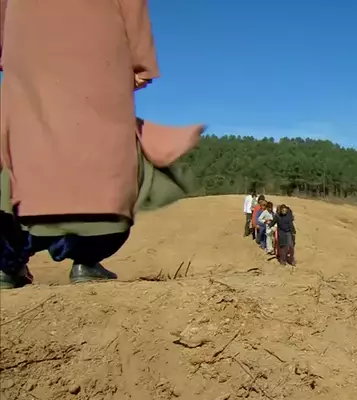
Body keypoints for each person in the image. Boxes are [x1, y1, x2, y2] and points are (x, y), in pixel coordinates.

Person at [0, 0, 204, 289]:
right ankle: (86, 259)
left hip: (27, 35)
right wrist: (142, 63)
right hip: (95, 36)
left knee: (25, 140)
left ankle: (8, 264)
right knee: (104, 149)